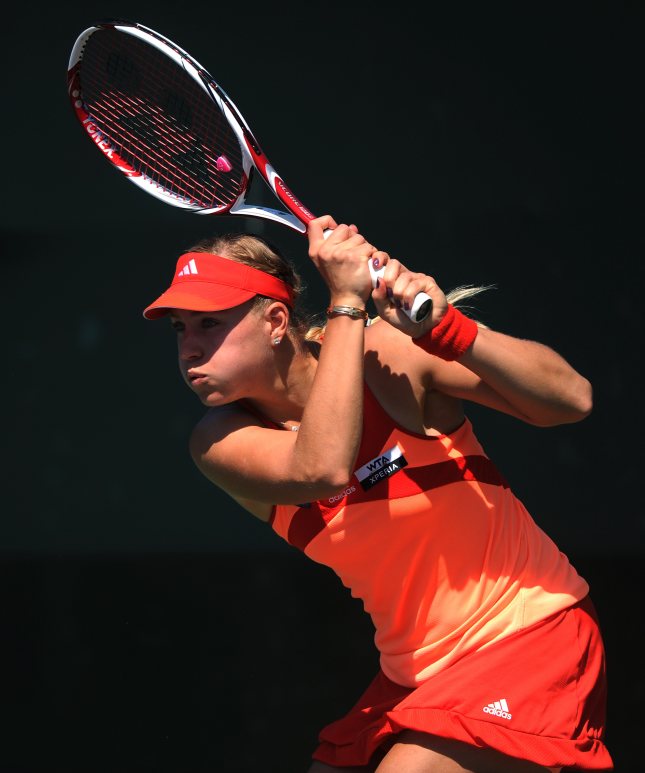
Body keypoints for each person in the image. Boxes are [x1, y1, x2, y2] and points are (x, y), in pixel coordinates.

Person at [143, 216, 613, 772]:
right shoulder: (217, 442)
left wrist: (448, 329)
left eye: (208, 324)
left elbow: (572, 400)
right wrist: (347, 301)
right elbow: (323, 468)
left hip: (530, 632)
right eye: (180, 329)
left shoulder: (389, 356)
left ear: (275, 321)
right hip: (415, 675)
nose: (190, 349)